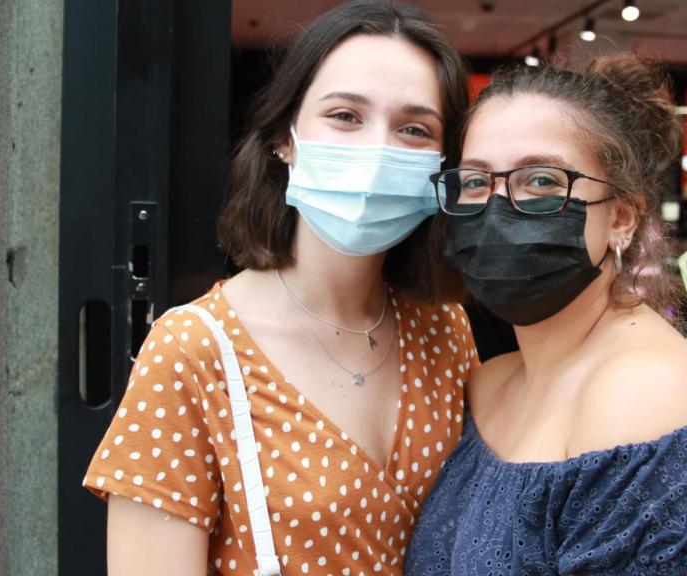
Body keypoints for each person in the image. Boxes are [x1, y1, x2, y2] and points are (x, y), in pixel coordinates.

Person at [83, 2, 477, 574]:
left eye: (414, 129)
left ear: (443, 166)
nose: (375, 150)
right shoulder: (193, 352)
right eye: (345, 116)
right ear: (284, 139)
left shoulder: (444, 330)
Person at [406, 55, 687, 575]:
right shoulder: (491, 381)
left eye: (541, 180)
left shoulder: (646, 397)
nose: (496, 209)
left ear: (622, 218)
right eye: (475, 181)